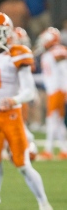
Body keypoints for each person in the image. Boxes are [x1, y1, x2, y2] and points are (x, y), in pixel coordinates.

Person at [0, 13, 55, 210]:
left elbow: (30, 92)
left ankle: (44, 207)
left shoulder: (17, 54)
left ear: (7, 33)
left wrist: (14, 99)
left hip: (11, 115)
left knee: (22, 164)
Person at [35, 27, 67, 161]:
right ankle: (65, 150)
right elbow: (47, 75)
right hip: (53, 90)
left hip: (58, 90)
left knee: (51, 120)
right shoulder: (48, 54)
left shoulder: (57, 51)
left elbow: (65, 71)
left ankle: (48, 150)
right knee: (57, 122)